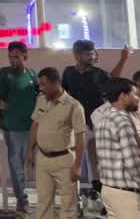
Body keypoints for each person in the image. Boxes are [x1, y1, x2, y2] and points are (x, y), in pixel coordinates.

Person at [61, 41, 129, 203]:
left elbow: (114, 80)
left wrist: (123, 59)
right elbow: (64, 94)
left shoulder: (99, 73)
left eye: (93, 53)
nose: (92, 56)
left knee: (97, 160)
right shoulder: (69, 73)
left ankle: (101, 193)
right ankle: (80, 195)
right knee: (75, 159)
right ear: (77, 55)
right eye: (87, 53)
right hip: (76, 122)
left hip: (97, 123)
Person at [0, 40, 39, 216]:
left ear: (25, 56)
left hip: (34, 126)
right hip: (13, 127)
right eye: (10, 57)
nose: (13, 60)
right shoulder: (4, 74)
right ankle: (22, 201)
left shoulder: (32, 74)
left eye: (16, 57)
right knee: (17, 166)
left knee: (35, 164)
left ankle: (43, 200)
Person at [27, 66, 86, 219]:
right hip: (43, 159)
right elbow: (35, 125)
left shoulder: (74, 106)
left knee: (68, 204)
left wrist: (78, 166)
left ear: (56, 83)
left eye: (44, 85)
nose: (41, 88)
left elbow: (81, 137)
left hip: (65, 160)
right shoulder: (41, 99)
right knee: (43, 202)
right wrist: (29, 151)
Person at [93, 78, 140, 219]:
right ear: (123, 96)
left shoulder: (104, 119)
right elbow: (132, 161)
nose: (137, 99)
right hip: (127, 195)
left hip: (108, 190)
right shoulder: (123, 122)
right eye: (134, 95)